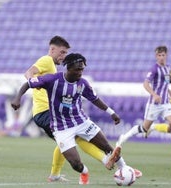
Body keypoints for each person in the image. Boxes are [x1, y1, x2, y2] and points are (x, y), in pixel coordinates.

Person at [22, 36, 143, 184]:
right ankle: (107, 161)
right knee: (76, 137)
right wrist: (33, 82)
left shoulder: (69, 76)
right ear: (52, 49)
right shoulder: (46, 61)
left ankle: (55, 175)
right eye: (62, 52)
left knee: (66, 141)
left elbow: (93, 98)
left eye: (65, 53)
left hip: (55, 112)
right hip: (46, 111)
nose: (63, 56)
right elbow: (29, 73)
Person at [116, 46, 171, 160]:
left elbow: (166, 81)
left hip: (165, 103)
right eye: (159, 55)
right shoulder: (154, 69)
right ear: (156, 56)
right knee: (144, 129)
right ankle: (123, 137)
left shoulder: (167, 67)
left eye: (163, 55)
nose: (161, 57)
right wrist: (154, 94)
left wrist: (170, 91)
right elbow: (146, 84)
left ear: (166, 55)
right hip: (154, 104)